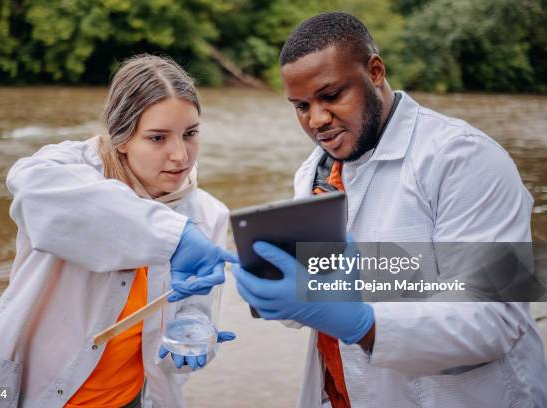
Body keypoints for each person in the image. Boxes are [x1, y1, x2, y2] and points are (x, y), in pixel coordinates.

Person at [230, 12, 547, 408]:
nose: (316, 120)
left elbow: (497, 320)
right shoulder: (313, 172)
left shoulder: (465, 158)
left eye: (331, 96)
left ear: (375, 71)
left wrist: (363, 324)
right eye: (300, 106)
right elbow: (321, 299)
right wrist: (273, 284)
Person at [0, 54, 236, 408]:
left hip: (130, 399)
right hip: (26, 393)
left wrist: (195, 329)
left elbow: (195, 306)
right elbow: (30, 190)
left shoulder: (208, 214)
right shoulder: (65, 168)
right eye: (158, 138)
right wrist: (172, 238)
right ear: (123, 138)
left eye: (190, 134)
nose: (180, 155)